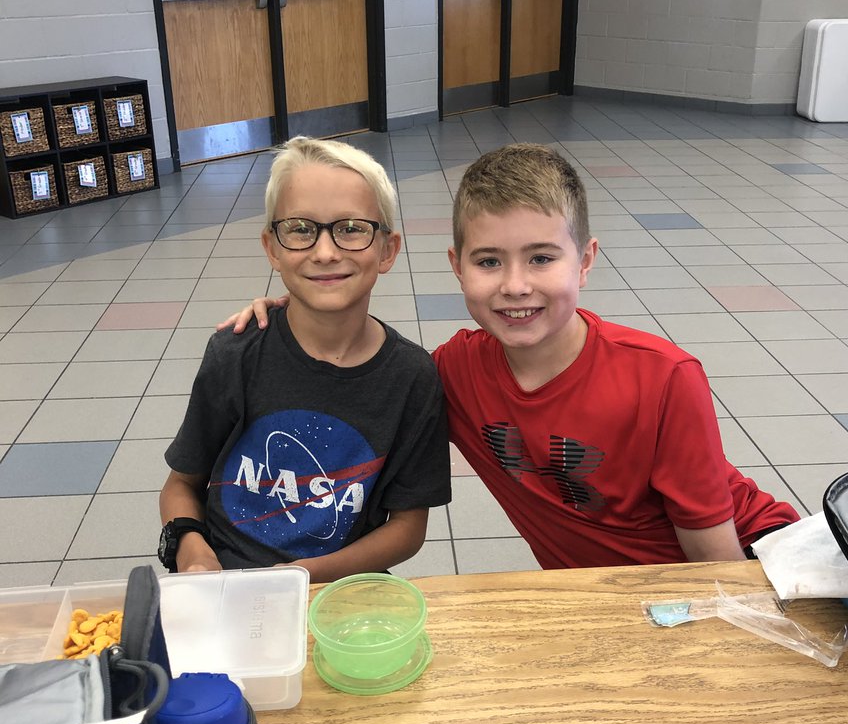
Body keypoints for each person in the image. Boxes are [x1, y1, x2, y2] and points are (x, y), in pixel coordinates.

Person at [222, 142, 798, 570]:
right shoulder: (451, 372)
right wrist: (300, 308)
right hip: (602, 600)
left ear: (587, 260)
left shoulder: (663, 378)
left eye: (543, 258)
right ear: (457, 267)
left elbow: (716, 567)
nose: (516, 286)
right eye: (490, 261)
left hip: (758, 565)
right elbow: (356, 377)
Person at [159, 136, 450, 577]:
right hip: (226, 580)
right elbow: (182, 484)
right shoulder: (235, 353)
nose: (326, 251)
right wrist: (193, 552)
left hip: (341, 591)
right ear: (273, 247)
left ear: (387, 250)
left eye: (352, 228)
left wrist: (302, 576)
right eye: (300, 228)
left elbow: (408, 527)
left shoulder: (412, 377)